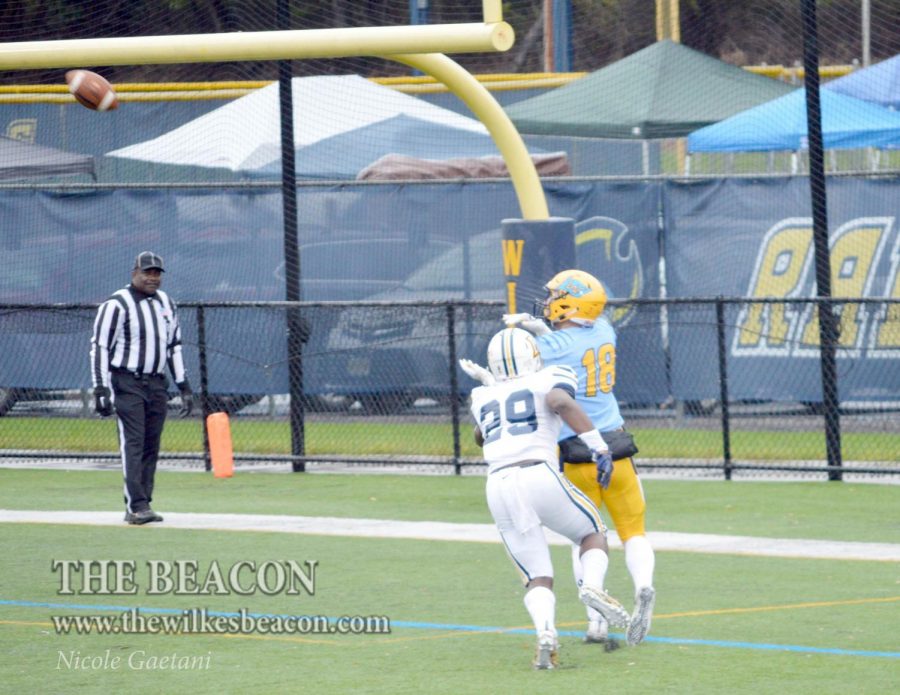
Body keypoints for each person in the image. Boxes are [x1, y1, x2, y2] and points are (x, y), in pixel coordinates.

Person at [460, 327, 630, 670]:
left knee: (537, 575)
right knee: (591, 534)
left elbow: (481, 436)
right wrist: (598, 446)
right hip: (538, 472)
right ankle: (592, 588)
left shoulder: (481, 396)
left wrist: (492, 387)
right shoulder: (550, 377)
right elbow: (560, 402)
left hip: (498, 484)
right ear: (533, 355)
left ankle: (546, 635)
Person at [503, 269, 656, 647]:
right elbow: (570, 339)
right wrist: (541, 327)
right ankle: (644, 586)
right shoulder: (606, 330)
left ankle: (595, 620)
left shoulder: (552, 349)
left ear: (571, 301)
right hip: (618, 446)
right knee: (633, 531)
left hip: (576, 452)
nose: (549, 302)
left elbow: (535, 357)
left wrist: (526, 330)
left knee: (584, 537)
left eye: (556, 296)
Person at [90, 251, 193, 525]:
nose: (152, 277)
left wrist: (184, 385)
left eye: (157, 273)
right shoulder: (117, 305)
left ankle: (144, 500)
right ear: (134, 272)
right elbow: (100, 347)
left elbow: (175, 346)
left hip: (157, 383)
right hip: (127, 381)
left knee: (151, 443)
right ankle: (135, 505)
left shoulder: (166, 303)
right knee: (133, 442)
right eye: (147, 272)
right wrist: (100, 388)